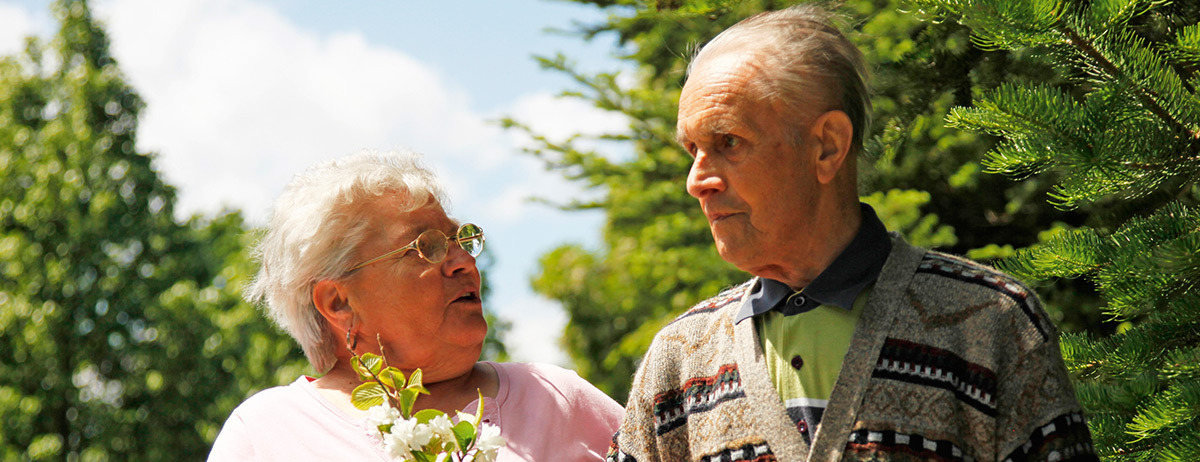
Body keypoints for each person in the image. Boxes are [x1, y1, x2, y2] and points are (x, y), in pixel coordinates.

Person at [609, 5, 1096, 462]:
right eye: (692, 148)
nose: (697, 181)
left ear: (827, 146)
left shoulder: (989, 324)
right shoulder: (678, 363)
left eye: (728, 142)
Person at [208, 149, 623, 461]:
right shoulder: (265, 436)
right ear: (338, 303)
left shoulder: (556, 399)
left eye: (462, 240)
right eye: (427, 248)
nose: (464, 262)